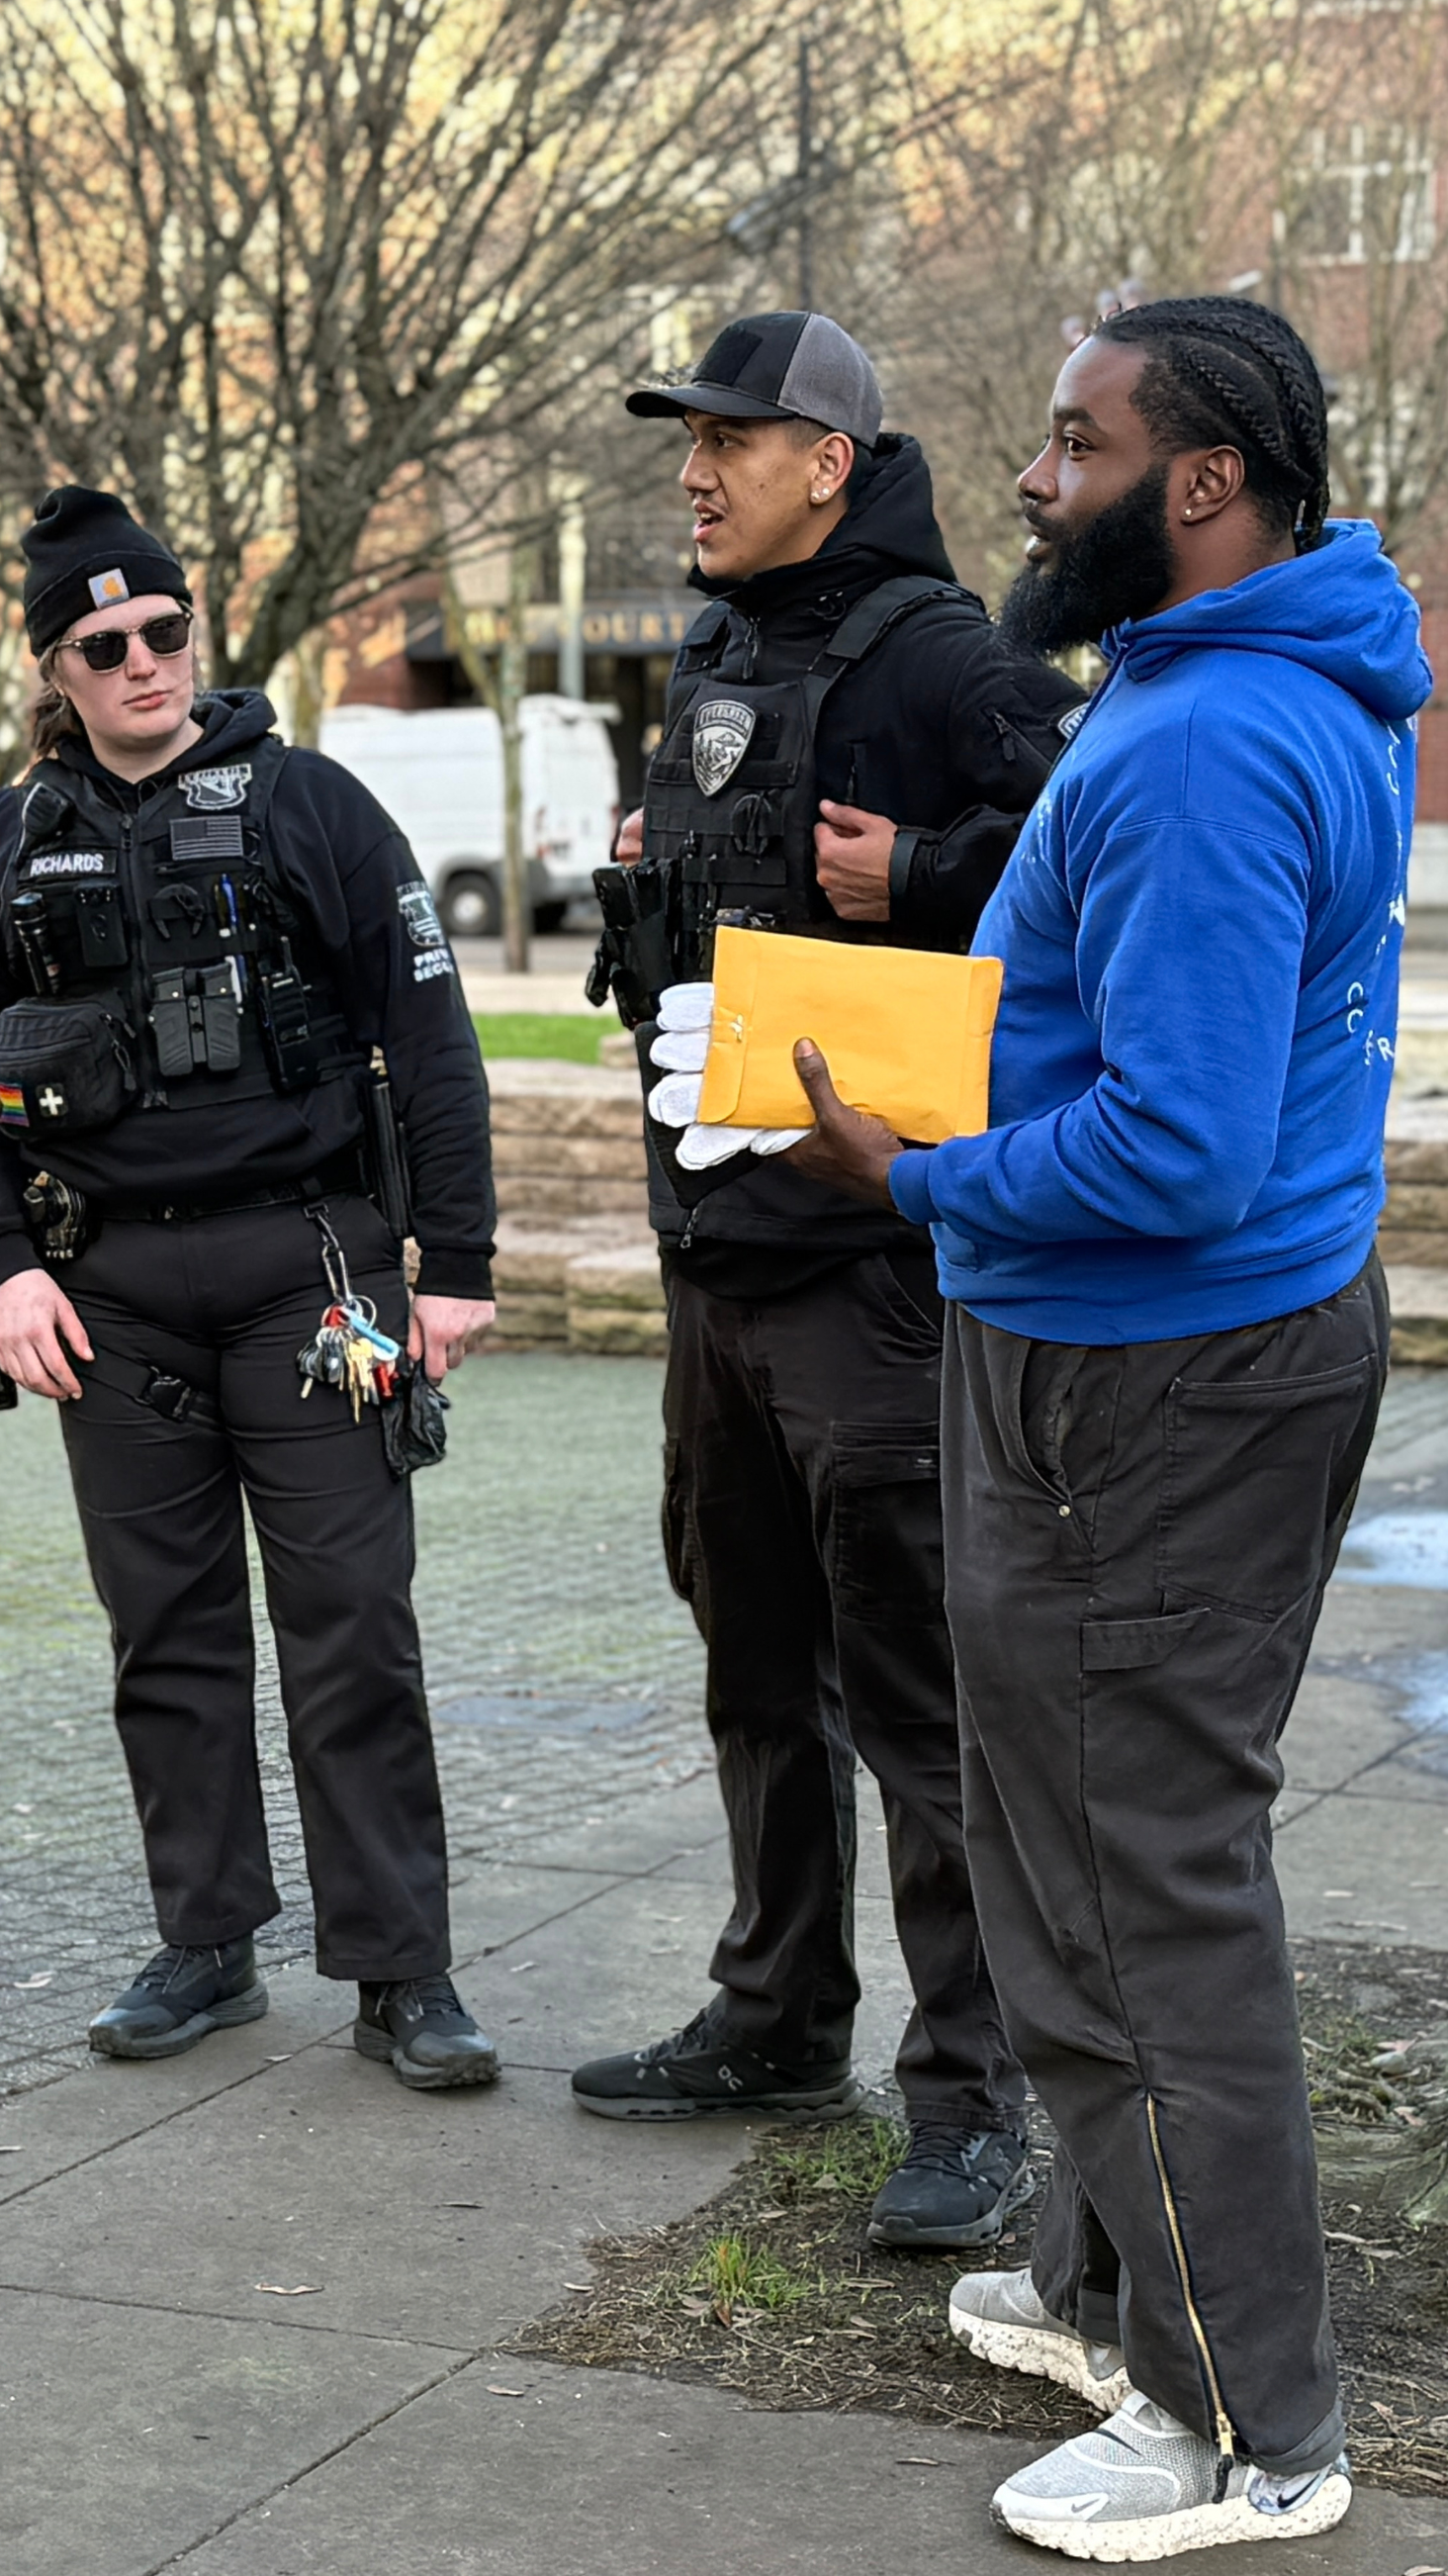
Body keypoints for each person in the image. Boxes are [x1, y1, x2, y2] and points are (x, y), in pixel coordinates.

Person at [790, 296, 1420, 2558]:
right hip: (1198, 1352)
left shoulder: (1197, 744)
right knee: (1112, 1843)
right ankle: (1102, 2284)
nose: (1029, 485)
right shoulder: (1251, 692)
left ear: (1199, 486)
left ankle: (1245, 2426)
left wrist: (914, 1172)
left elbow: (1169, 1143)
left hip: (1136, 1380)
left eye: (1070, 446)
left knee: (1120, 1895)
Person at [570, 311, 1085, 2252]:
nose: (692, 469)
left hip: (873, 1281)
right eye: (682, 440)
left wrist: (928, 872)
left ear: (833, 465)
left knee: (916, 1704)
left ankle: (970, 2098)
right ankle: (775, 2010)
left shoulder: (950, 659)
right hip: (715, 1267)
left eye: (731, 437)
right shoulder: (714, 652)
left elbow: (1085, 861)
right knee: (747, 1668)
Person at [0, 486, 502, 2088]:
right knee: (163, 1634)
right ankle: (206, 1943)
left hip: (315, 1281)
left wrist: (456, 1266)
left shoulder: (313, 807)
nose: (145, 662)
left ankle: (403, 1973)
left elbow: (433, 1047)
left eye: (166, 629)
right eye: (105, 646)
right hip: (108, 1298)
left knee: (351, 1624)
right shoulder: (5, 843)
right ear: (56, 668)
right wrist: (0, 1272)